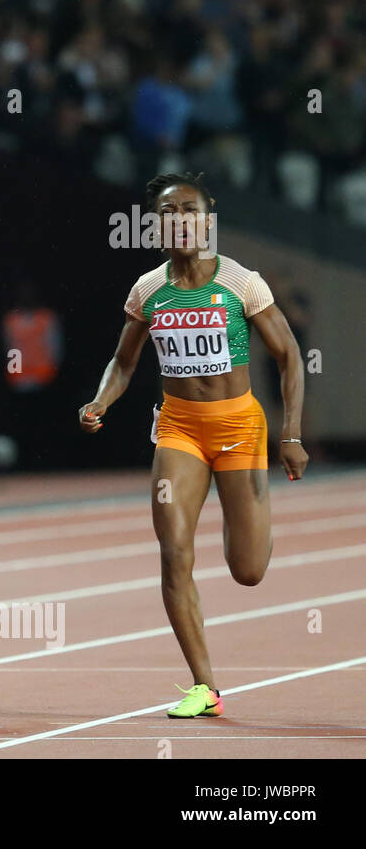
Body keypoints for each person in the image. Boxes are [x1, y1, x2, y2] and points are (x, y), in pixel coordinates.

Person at [79, 172, 307, 718]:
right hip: (178, 428)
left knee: (247, 570)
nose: (179, 220)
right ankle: (204, 686)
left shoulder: (240, 282)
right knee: (174, 550)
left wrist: (291, 433)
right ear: (155, 225)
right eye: (168, 212)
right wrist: (101, 401)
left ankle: (243, 510)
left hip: (238, 430)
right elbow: (125, 361)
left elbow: (290, 356)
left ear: (208, 222)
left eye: (190, 211)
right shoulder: (147, 290)